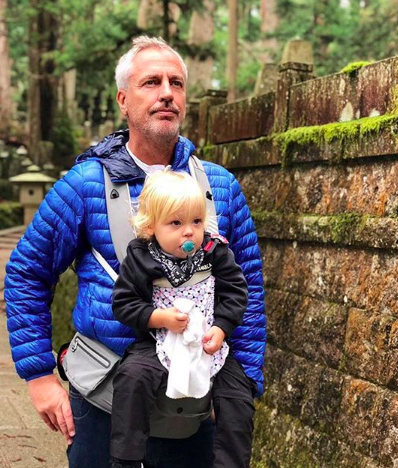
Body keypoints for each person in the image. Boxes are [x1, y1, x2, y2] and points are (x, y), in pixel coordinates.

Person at [4, 35, 266, 468]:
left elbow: (248, 288)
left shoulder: (220, 187)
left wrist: (245, 383)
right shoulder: (85, 185)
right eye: (151, 82)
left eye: (176, 83)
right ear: (123, 100)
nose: (166, 93)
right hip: (103, 398)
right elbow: (27, 273)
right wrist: (38, 376)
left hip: (196, 400)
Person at [110, 170, 255, 468]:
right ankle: (126, 459)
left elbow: (236, 292)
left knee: (237, 395)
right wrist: (158, 318)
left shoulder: (214, 252)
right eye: (176, 223)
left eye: (196, 222)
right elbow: (123, 303)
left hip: (207, 341)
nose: (189, 232)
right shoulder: (141, 256)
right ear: (151, 227)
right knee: (132, 378)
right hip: (158, 340)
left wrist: (221, 328)